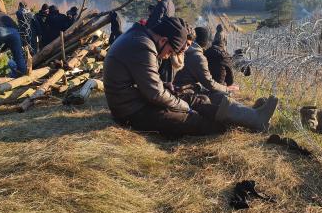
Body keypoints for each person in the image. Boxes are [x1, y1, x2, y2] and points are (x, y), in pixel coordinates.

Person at [103, 16, 278, 136]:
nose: (167, 56)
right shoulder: (143, 45)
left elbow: (144, 81)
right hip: (131, 110)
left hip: (137, 99)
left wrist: (165, 85)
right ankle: (246, 121)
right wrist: (184, 107)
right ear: (163, 40)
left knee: (194, 99)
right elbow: (154, 94)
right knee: (194, 120)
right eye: (170, 51)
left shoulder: (140, 38)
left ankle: (252, 117)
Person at [174, 27, 238, 105]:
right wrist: (227, 89)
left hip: (176, 89)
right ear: (205, 42)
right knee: (220, 98)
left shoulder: (181, 50)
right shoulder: (198, 57)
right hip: (184, 93)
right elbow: (209, 83)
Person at [0, 9, 27, 79]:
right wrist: (0, 51)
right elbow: (8, 41)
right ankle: (23, 77)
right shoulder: (1, 14)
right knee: (19, 57)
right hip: (15, 32)